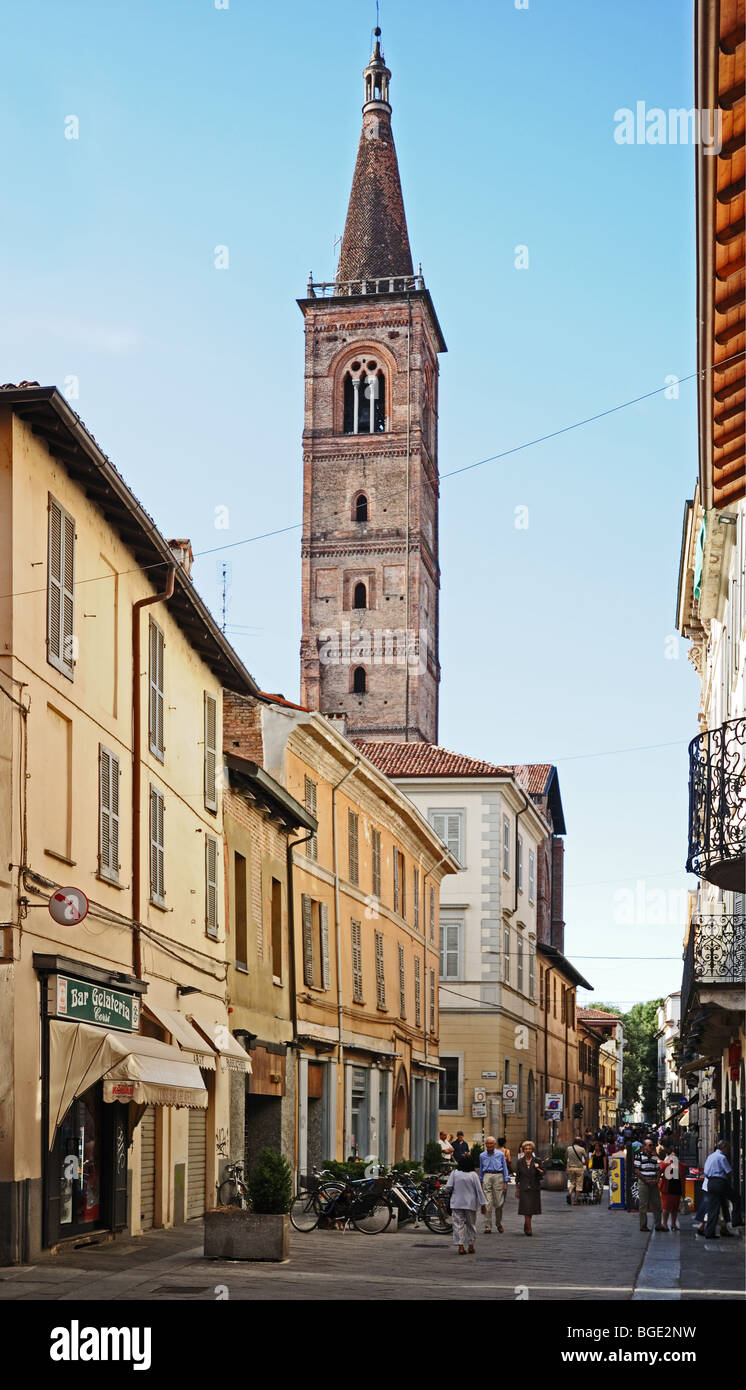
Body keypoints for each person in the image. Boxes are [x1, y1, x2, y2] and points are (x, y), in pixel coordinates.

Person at [444, 1154, 486, 1254]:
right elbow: (479, 1190)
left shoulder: (454, 1173)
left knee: (458, 1225)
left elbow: (448, 1187)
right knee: (471, 1225)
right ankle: (471, 1245)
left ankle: (460, 1246)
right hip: (470, 1203)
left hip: (457, 1202)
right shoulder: (473, 1175)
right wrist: (483, 1204)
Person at [697, 1142, 734, 1239]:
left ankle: (722, 1228)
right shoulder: (722, 1157)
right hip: (718, 1184)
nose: (728, 1151)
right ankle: (710, 1231)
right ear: (724, 1147)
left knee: (720, 1207)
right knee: (715, 1208)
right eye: (728, 1148)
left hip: (710, 1184)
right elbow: (729, 1171)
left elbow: (706, 1171)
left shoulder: (711, 1157)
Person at [479, 1136, 510, 1233]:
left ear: (495, 1144)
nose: (489, 1145)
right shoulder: (482, 1155)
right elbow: (481, 1169)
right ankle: (488, 1226)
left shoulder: (500, 1154)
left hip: (498, 1176)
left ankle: (498, 1223)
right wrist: (480, 1181)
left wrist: (505, 1182)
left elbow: (505, 1168)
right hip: (487, 1176)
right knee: (487, 1203)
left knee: (499, 1203)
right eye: (487, 1143)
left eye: (491, 1143)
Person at [514, 1140, 545, 1236]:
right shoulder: (520, 1162)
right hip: (523, 1187)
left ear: (532, 1150)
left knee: (531, 1208)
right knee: (526, 1207)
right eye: (526, 1149)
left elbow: (543, 1173)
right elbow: (518, 1176)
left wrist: (537, 1168)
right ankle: (529, 1228)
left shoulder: (537, 1161)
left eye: (529, 1148)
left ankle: (526, 1224)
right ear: (523, 1150)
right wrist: (516, 1189)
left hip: (534, 1187)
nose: (528, 1150)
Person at [635, 1138, 664, 1233]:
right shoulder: (638, 1156)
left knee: (657, 1204)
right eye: (650, 1145)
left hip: (653, 1182)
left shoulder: (654, 1157)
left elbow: (658, 1169)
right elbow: (637, 1170)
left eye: (652, 1145)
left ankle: (658, 1225)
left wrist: (656, 1180)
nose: (652, 1147)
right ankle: (643, 1225)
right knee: (643, 1204)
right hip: (644, 1183)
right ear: (644, 1147)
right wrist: (646, 1181)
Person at [659, 1146, 681, 1232]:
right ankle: (665, 1224)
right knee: (666, 1207)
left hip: (676, 1186)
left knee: (675, 1207)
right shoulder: (666, 1163)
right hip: (668, 1187)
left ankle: (673, 1224)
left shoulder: (677, 1163)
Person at [565, 1135, 588, 1206]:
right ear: (580, 1142)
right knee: (579, 1185)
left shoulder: (569, 1148)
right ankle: (575, 1201)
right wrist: (586, 1164)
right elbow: (586, 1158)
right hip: (579, 1168)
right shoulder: (582, 1149)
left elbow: (566, 1157)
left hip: (571, 1168)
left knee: (572, 1182)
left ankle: (569, 1193)